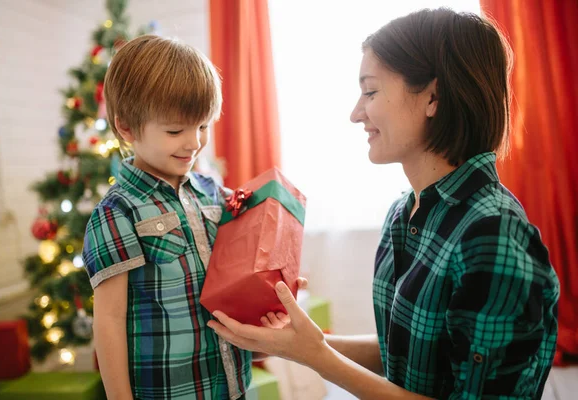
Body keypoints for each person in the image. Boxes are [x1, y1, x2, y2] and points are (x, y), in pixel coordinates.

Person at [208, 8, 560, 399]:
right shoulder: (404, 214)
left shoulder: (493, 234)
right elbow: (407, 353)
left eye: (371, 91)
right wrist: (296, 343)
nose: (356, 113)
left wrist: (319, 358)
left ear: (433, 97)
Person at [82, 35, 253, 400]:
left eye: (203, 126)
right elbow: (109, 322)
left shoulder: (212, 191)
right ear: (126, 128)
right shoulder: (117, 212)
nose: (194, 142)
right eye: (176, 130)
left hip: (232, 384)